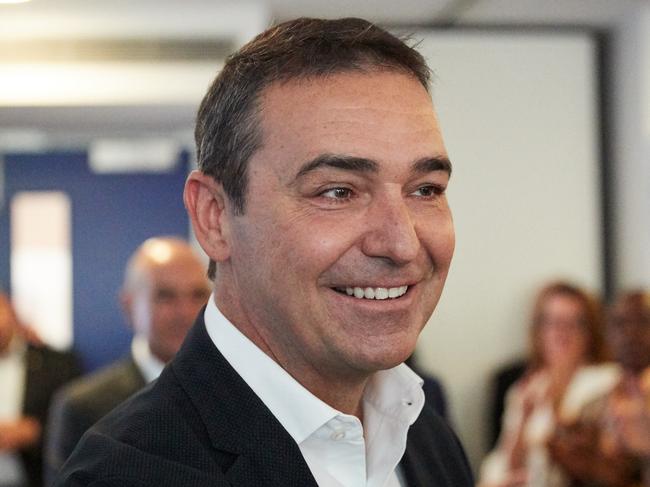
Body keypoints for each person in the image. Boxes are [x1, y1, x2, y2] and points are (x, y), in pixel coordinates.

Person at [55, 17, 473, 486]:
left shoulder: (424, 437)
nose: (401, 243)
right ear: (214, 217)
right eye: (338, 192)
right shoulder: (127, 475)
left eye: (426, 190)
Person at [44, 237, 210, 481]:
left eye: (198, 295)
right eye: (165, 296)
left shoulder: (236, 396)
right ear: (129, 307)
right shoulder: (82, 407)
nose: (184, 311)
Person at [479, 281, 616, 487]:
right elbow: (503, 467)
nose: (561, 333)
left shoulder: (608, 381)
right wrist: (523, 418)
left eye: (574, 323)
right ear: (538, 330)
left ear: (591, 331)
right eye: (552, 322)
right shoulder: (525, 387)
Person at [548, 290, 650, 486]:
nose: (630, 333)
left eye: (643, 322)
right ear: (608, 334)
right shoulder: (593, 403)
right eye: (620, 323)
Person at [0, 292, 80, 487]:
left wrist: (36, 432)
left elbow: (81, 425)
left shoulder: (56, 364)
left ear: (10, 310)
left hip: (35, 477)